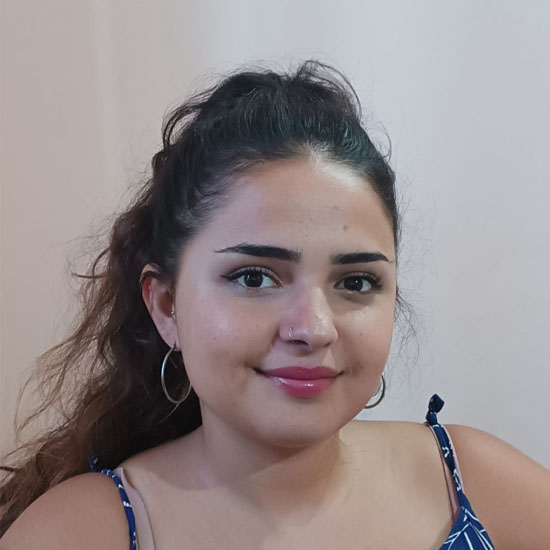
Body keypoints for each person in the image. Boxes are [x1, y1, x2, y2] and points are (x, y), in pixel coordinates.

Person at [0, 60, 548, 550]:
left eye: (356, 282)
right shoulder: (84, 532)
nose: (313, 328)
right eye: (255, 277)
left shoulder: (472, 481)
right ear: (166, 306)